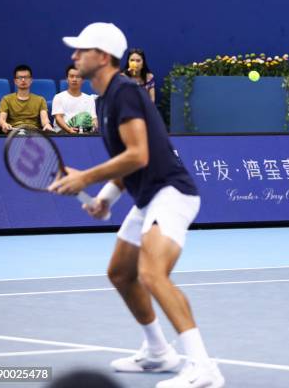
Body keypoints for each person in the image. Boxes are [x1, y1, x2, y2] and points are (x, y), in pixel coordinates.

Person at [50, 22, 224, 388]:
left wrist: (85, 179)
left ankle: (204, 367)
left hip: (171, 193)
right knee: (120, 272)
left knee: (151, 273)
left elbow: (139, 154)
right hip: (147, 196)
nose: (74, 56)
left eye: (81, 50)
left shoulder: (125, 92)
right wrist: (103, 199)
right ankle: (159, 351)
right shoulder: (106, 99)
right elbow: (124, 162)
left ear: (102, 56)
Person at [0, 65, 53, 133]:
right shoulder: (6, 99)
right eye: (20, 77)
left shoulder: (40, 100)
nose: (23, 80)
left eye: (26, 77)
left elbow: (44, 119)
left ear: (31, 80)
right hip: (13, 132)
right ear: (15, 81)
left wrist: (47, 124)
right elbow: (1, 119)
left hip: (34, 132)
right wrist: (4, 124)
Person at [52, 64, 98, 133]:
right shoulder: (58, 97)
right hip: (63, 133)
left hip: (84, 133)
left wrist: (93, 128)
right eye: (71, 76)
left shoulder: (89, 99)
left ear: (83, 80)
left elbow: (94, 119)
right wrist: (69, 130)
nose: (74, 79)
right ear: (67, 79)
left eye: (78, 77)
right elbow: (58, 117)